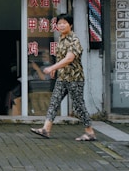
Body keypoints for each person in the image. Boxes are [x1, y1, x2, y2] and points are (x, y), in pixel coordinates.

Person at [30, 13, 97, 141]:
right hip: (62, 78)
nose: (61, 25)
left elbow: (69, 58)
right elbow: (61, 57)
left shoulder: (74, 39)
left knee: (78, 106)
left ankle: (90, 132)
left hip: (74, 79)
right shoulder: (61, 38)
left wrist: (52, 67)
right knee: (54, 102)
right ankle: (46, 129)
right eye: (59, 23)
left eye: (64, 23)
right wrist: (57, 69)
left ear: (70, 25)